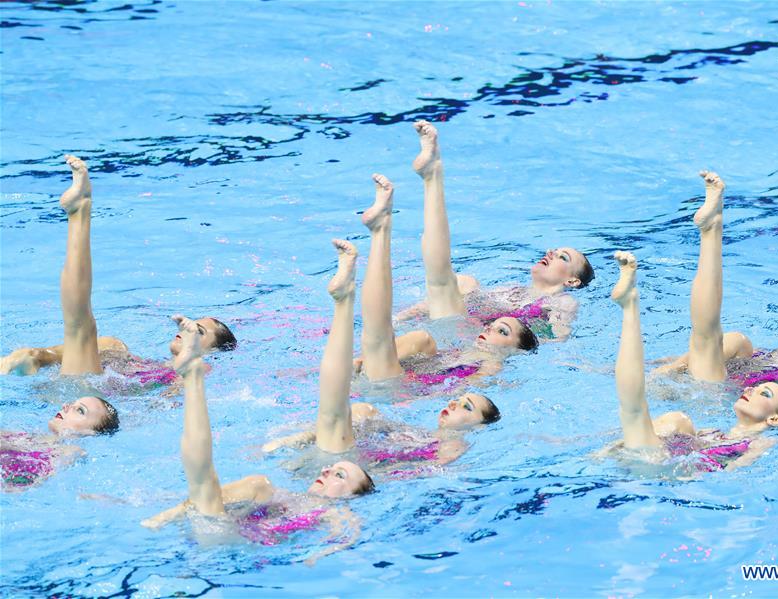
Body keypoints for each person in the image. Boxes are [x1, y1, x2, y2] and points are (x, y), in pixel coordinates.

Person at [142, 246, 372, 558]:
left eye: (340, 476)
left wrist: (320, 555)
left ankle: (193, 373)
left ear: (350, 496)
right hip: (221, 530)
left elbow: (346, 533)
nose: (328, 471)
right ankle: (193, 374)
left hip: (228, 542)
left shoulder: (335, 511)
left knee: (333, 421)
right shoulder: (279, 493)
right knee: (225, 483)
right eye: (333, 469)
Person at [0, 156, 237, 385]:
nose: (186, 328)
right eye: (192, 322)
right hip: (76, 385)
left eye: (199, 332)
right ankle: (31, 359)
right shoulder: (142, 364)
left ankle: (80, 211)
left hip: (90, 400)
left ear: (210, 353)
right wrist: (38, 355)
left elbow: (168, 404)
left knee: (81, 327)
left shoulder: (195, 371)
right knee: (111, 344)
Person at [651, 171, 778, 397]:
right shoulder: (759, 354)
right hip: (687, 386)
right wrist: (653, 365)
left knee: (729, 338)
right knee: (735, 343)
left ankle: (713, 227)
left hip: (715, 397)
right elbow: (697, 353)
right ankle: (713, 226)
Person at [396, 120, 595, 341]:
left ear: (572, 281)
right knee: (464, 281)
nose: (550, 252)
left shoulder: (562, 302)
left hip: (481, 341)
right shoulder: (512, 289)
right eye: (556, 250)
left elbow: (559, 338)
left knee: (454, 282)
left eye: (562, 257)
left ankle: (433, 176)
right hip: (462, 325)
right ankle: (399, 319)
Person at [601, 250, 778, 471]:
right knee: (672, 419)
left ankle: (630, 306)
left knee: (636, 410)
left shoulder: (762, 441)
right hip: (656, 460)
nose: (751, 389)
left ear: (774, 419)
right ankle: (630, 306)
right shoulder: (712, 432)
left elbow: (730, 475)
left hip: (670, 472)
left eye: (764, 393)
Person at [351, 174, 538, 387]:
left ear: (517, 351)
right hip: (387, 372)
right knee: (421, 338)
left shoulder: (491, 365)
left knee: (400, 336)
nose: (488, 329)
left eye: (502, 331)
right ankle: (384, 226)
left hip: (396, 388)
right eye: (493, 326)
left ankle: (382, 229)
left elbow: (457, 394)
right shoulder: (461, 351)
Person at [263, 390, 502, 474]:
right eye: (457, 399)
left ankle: (291, 443)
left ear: (478, 426)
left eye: (466, 407)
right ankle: (295, 439)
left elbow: (422, 472)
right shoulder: (425, 434)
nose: (453, 404)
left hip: (360, 465)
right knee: (363, 410)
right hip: (361, 454)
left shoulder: (454, 446)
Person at [2, 394, 119, 490]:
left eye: (80, 410)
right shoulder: (25, 436)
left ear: (90, 432)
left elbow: (33, 486)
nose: (66, 406)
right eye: (72, 403)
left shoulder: (73, 452)